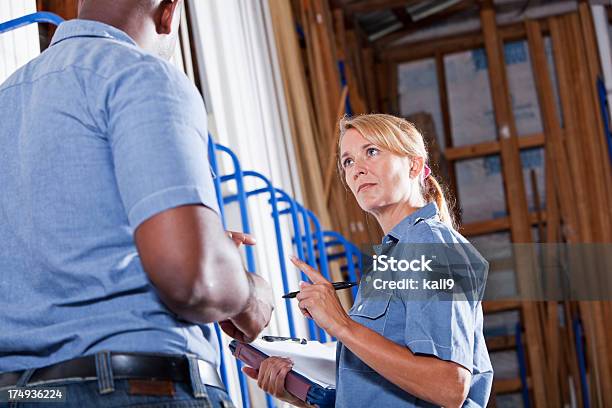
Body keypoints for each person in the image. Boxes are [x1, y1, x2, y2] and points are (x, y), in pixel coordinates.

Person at [0, 0, 273, 406]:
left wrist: (190, 241)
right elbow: (192, 279)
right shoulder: (141, 75)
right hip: (135, 387)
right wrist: (248, 294)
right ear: (169, 11)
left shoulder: (8, 100)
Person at [244, 114, 493, 407]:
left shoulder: (430, 245)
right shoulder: (390, 262)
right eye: (348, 161)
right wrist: (300, 394)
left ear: (413, 165)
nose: (357, 170)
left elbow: (448, 387)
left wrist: (341, 325)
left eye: (371, 152)